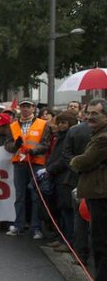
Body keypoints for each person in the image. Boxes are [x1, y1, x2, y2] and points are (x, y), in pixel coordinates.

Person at [70, 98, 107, 280]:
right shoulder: (97, 134)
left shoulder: (103, 138)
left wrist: (75, 161)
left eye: (95, 114)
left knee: (101, 242)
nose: (90, 117)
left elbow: (84, 161)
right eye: (88, 113)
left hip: (101, 196)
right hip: (97, 193)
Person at [4, 99, 50, 239]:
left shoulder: (43, 124)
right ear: (20, 108)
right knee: (20, 196)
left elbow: (45, 144)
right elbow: (8, 145)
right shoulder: (12, 125)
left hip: (36, 163)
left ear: (33, 108)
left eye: (28, 107)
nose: (25, 109)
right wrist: (15, 146)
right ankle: (19, 226)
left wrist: (33, 151)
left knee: (36, 197)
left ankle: (36, 228)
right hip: (20, 163)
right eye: (23, 107)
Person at [42, 110, 78, 252]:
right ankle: (61, 237)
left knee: (66, 210)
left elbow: (64, 159)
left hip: (65, 178)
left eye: (64, 122)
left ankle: (68, 241)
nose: (60, 125)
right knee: (60, 209)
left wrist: (49, 169)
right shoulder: (59, 136)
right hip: (57, 177)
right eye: (59, 122)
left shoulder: (69, 137)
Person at [61, 111, 93, 265]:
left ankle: (81, 254)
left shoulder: (74, 130)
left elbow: (66, 154)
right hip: (86, 179)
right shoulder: (75, 131)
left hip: (78, 178)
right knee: (83, 218)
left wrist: (76, 167)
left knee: (80, 218)